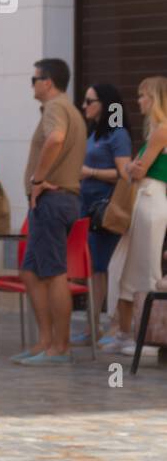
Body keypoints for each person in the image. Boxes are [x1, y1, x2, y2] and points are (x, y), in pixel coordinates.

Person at [16, 58, 86, 365]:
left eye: (34, 79)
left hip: (52, 201)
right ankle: (44, 341)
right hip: (57, 201)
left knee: (54, 272)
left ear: (48, 82)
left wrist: (39, 179)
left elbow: (56, 139)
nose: (31, 85)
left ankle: (60, 347)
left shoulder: (57, 108)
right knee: (31, 271)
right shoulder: (68, 110)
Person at [106, 77, 167, 357]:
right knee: (125, 269)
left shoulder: (161, 131)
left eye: (143, 96)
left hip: (150, 200)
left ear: (155, 99)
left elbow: (139, 170)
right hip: (144, 200)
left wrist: (132, 167)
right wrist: (133, 167)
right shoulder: (155, 131)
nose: (139, 101)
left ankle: (151, 338)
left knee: (146, 270)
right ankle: (126, 332)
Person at [80, 83, 133, 349]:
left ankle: (114, 325)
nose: (84, 105)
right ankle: (93, 325)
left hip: (106, 209)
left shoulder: (118, 134)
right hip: (87, 207)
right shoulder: (94, 133)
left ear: (105, 103)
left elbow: (124, 173)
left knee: (106, 266)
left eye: (90, 101)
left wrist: (90, 171)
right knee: (94, 268)